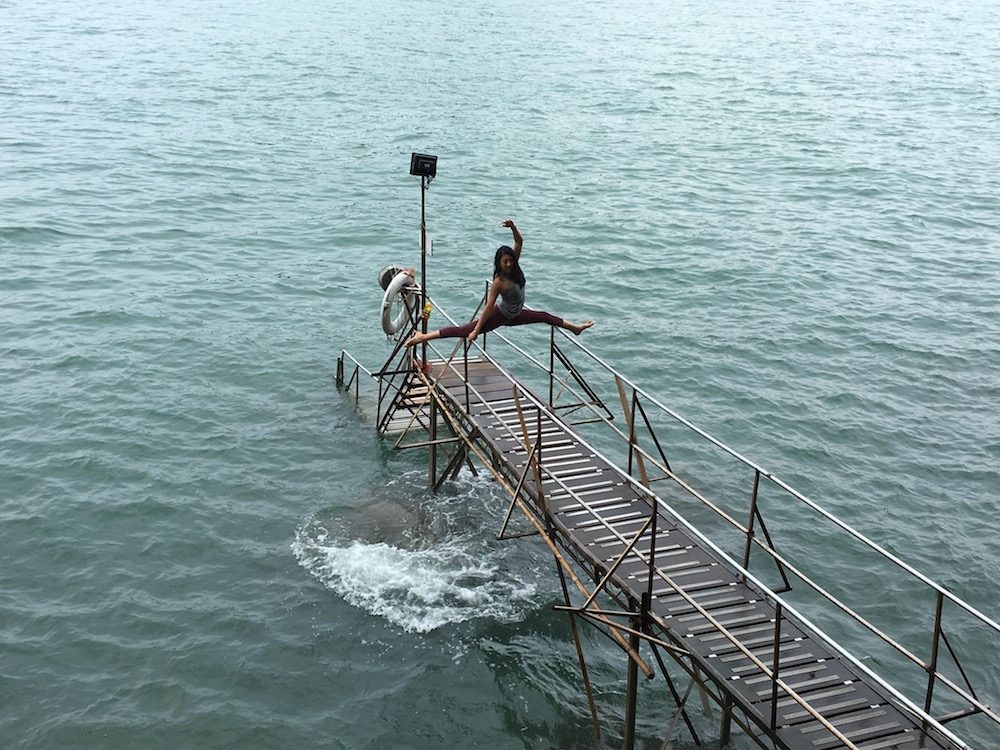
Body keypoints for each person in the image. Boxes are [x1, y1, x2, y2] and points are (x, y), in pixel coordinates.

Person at [405, 219, 594, 348]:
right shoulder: (499, 282)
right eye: (505, 262)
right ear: (499, 263)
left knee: (544, 315)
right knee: (464, 330)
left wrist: (513, 227)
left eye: (511, 260)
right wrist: (477, 331)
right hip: (501, 315)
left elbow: (519, 242)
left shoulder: (515, 268)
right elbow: (488, 307)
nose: (509, 264)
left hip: (516, 314)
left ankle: (575, 328)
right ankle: (423, 337)